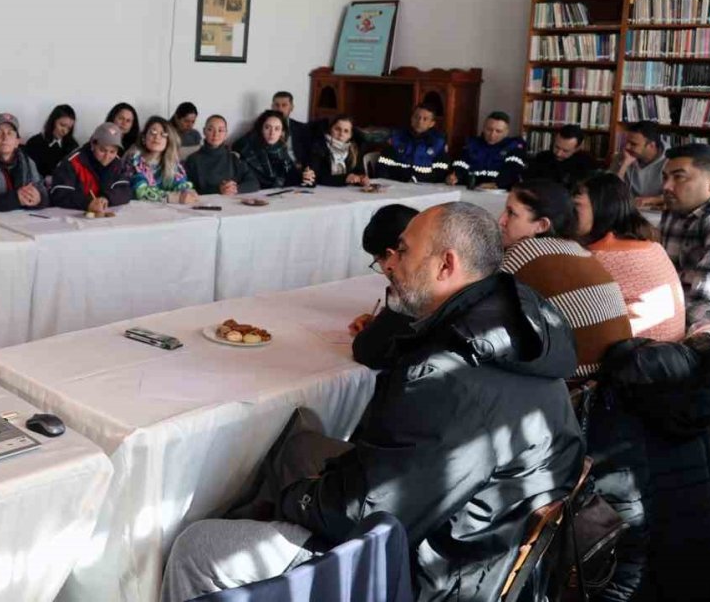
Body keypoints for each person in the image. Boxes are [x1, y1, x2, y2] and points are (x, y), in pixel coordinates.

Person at [161, 202, 584, 602]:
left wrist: (295, 499)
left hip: (428, 572)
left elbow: (364, 511)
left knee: (197, 547)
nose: (390, 265)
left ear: (446, 265)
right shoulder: (519, 323)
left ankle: (260, 553)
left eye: (402, 252)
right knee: (300, 443)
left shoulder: (445, 373)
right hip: (481, 536)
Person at [499, 178, 632, 378]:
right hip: (610, 373)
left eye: (512, 214)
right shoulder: (578, 249)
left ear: (542, 225)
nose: (500, 220)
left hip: (574, 380)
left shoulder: (523, 250)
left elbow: (480, 309)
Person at [573, 172, 685, 342]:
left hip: (630, 359)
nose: (570, 214)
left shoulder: (601, 255)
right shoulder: (652, 246)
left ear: (602, 208)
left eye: (576, 206)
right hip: (667, 354)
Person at [659, 143, 710, 350]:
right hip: (672, 312)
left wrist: (665, 333)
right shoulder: (676, 208)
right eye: (665, 177)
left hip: (705, 328)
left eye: (679, 177)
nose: (667, 186)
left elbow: (707, 299)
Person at [348, 204, 419, 368]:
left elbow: (368, 352)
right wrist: (382, 321)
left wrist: (375, 331)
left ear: (390, 256)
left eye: (377, 261)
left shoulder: (413, 287)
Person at [50, 122, 133, 212]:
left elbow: (126, 190)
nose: (107, 156)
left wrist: (106, 198)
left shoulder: (117, 163)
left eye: (112, 151)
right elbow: (60, 193)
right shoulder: (73, 161)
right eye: (102, 150)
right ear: (93, 145)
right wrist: (88, 203)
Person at [446, 111, 527, 189]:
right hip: (470, 187)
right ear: (483, 128)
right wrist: (455, 177)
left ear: (506, 132)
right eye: (489, 129)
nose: (492, 134)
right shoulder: (471, 144)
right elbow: (460, 164)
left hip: (499, 191)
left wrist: (497, 183)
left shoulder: (514, 146)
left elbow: (513, 170)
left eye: (498, 131)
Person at [126, 116, 198, 204]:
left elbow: (181, 183)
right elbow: (140, 192)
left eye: (163, 134)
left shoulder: (172, 161)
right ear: (144, 138)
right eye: (153, 132)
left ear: (168, 140)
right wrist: (174, 198)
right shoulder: (134, 158)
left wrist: (187, 192)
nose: (157, 137)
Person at [183, 115, 259, 195]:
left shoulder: (233, 158)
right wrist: (218, 190)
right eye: (210, 130)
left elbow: (254, 183)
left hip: (231, 204)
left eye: (220, 130)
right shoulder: (193, 160)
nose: (215, 134)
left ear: (226, 134)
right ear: (204, 131)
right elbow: (187, 190)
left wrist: (235, 189)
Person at [375, 103, 449, 183]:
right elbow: (382, 166)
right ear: (411, 119)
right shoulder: (397, 138)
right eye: (417, 117)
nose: (420, 122)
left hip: (425, 186)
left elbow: (441, 172)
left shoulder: (438, 142)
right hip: (396, 184)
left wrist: (417, 179)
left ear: (432, 124)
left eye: (425, 119)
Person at [234, 110, 299, 190]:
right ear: (261, 128)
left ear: (282, 132)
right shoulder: (246, 148)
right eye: (267, 127)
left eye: (277, 129)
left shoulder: (281, 149)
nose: (272, 133)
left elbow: (293, 177)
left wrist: (306, 178)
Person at [521, 124, 598, 187]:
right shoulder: (542, 157)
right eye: (556, 147)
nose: (558, 153)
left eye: (565, 151)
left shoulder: (587, 164)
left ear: (577, 148)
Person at [614, 120, 668, 209]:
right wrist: (623, 166)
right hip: (626, 212)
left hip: (656, 214)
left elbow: (680, 194)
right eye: (626, 142)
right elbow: (610, 191)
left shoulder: (672, 161)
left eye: (633, 144)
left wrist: (651, 200)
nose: (627, 147)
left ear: (651, 146)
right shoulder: (623, 156)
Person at [303, 114, 368, 187]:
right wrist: (344, 179)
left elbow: (359, 172)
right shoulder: (318, 147)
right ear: (330, 129)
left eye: (346, 131)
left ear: (350, 135)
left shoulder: (353, 150)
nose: (341, 134)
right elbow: (316, 177)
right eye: (337, 129)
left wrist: (361, 178)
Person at [23, 104, 79, 180]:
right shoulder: (34, 143)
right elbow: (27, 172)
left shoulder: (73, 146)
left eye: (69, 128)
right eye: (62, 125)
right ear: (53, 121)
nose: (65, 131)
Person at [272, 90, 310, 165]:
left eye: (284, 105)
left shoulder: (302, 128)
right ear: (272, 107)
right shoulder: (263, 126)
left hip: (295, 167)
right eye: (277, 105)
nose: (280, 109)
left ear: (291, 107)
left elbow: (308, 152)